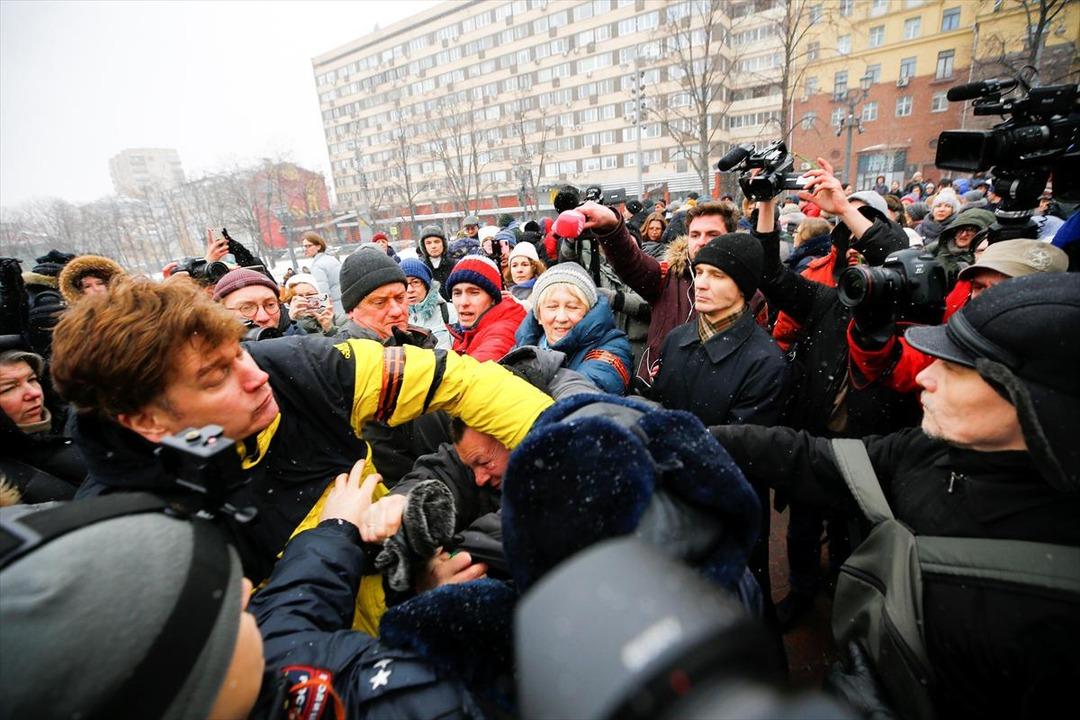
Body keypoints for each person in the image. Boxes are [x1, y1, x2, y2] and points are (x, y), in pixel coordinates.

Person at [49, 275, 554, 614]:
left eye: (238, 351)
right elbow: (269, 651)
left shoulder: (301, 367)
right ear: (148, 420)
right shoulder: (134, 537)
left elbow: (460, 380)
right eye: (215, 376)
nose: (255, 377)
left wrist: (564, 448)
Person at [712, 272, 1080, 719]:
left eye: (956, 367)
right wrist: (697, 436)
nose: (925, 376)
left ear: (1038, 405)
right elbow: (813, 458)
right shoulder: (932, 448)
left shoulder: (1052, 611)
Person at [0, 481, 484, 719]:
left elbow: (292, 610)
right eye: (224, 609)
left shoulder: (256, 667)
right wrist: (443, 621)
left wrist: (337, 529)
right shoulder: (427, 703)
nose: (249, 590)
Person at [848, 238, 1069, 394]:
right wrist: (871, 333)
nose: (985, 298)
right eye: (979, 286)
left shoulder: (1059, 365)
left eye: (1003, 289)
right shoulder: (963, 319)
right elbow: (912, 367)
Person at [584, 199, 741, 383]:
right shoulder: (668, 277)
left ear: (730, 237)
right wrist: (611, 226)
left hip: (717, 389)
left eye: (712, 234)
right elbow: (630, 261)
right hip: (654, 387)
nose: (701, 242)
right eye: (695, 235)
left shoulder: (746, 291)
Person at [651, 233, 786, 427]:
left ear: (743, 286)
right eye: (699, 272)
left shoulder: (765, 363)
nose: (701, 284)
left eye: (717, 275)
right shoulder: (675, 339)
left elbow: (741, 440)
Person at [513, 262, 632, 395]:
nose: (561, 318)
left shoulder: (612, 348)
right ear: (538, 316)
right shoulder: (523, 346)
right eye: (552, 307)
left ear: (589, 311)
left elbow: (585, 390)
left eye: (573, 307)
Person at [0, 345, 82, 502]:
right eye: (9, 388)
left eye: (32, 379)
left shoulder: (89, 419)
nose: (34, 393)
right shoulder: (5, 482)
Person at [335, 246, 436, 349]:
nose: (397, 311)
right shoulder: (338, 356)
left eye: (400, 298)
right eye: (380, 302)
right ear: (351, 311)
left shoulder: (422, 341)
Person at [444, 255, 526, 362]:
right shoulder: (468, 329)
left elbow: (474, 369)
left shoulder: (504, 330)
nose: (463, 302)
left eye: (474, 293)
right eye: (457, 293)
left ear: (493, 299)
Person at [213, 268, 306, 337]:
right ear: (221, 314)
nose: (263, 317)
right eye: (246, 308)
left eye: (270, 305)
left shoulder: (305, 348)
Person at [401, 257, 455, 350]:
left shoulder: (449, 312)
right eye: (404, 284)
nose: (410, 290)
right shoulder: (397, 319)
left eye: (415, 282)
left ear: (426, 285)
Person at [926, 207, 996, 276]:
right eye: (960, 229)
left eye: (971, 230)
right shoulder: (934, 250)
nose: (964, 234)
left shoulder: (986, 257)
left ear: (982, 234)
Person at [301, 232, 343, 315]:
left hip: (334, 310)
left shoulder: (318, 266)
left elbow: (323, 293)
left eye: (309, 246)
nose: (306, 249)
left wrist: (319, 313)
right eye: (304, 246)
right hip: (342, 304)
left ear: (318, 246)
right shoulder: (331, 259)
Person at [57, 254, 124, 304]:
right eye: (88, 286)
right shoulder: (78, 318)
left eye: (100, 283)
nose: (96, 289)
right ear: (81, 292)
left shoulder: (127, 310)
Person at [503, 242, 546, 307]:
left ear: (534, 267)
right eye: (514, 265)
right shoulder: (507, 292)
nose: (519, 270)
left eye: (525, 265)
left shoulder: (542, 292)